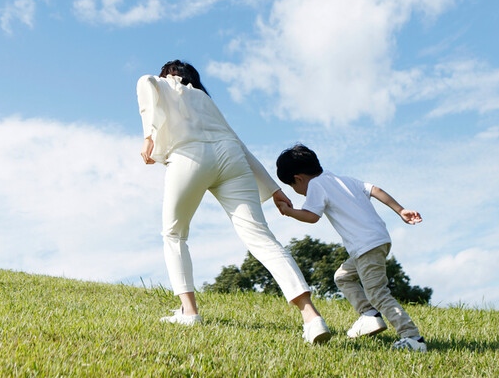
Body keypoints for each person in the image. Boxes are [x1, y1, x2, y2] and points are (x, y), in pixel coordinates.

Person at [137, 60, 331, 344]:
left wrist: (148, 136)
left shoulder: (164, 83)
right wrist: (274, 189)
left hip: (190, 157)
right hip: (231, 159)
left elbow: (145, 82)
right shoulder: (206, 100)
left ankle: (189, 312)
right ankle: (311, 317)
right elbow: (239, 144)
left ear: (169, 74)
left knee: (174, 233)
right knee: (261, 238)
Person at [275, 144, 427, 352]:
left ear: (298, 178)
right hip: (377, 240)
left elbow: (311, 216)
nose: (298, 192)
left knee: (377, 293)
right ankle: (370, 316)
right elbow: (376, 190)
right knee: (343, 277)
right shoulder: (342, 179)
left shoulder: (317, 186)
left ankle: (412, 338)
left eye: (293, 186)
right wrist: (400, 210)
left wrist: (289, 212)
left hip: (366, 246)